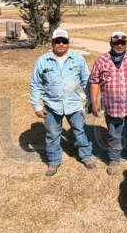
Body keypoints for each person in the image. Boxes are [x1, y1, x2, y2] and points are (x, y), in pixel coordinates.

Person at [29, 29, 94, 176]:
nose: (61, 44)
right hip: (52, 106)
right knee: (52, 134)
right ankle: (53, 161)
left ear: (68, 43)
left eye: (64, 41)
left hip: (74, 104)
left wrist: (90, 100)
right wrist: (37, 106)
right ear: (52, 43)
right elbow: (35, 84)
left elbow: (86, 81)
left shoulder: (78, 59)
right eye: (57, 41)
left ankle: (86, 156)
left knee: (80, 131)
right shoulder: (42, 61)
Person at [89, 31, 127, 175]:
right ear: (111, 43)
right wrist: (94, 102)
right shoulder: (101, 60)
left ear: (126, 43)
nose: (120, 45)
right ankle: (114, 160)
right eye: (117, 43)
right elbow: (94, 82)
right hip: (112, 107)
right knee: (114, 135)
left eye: (123, 43)